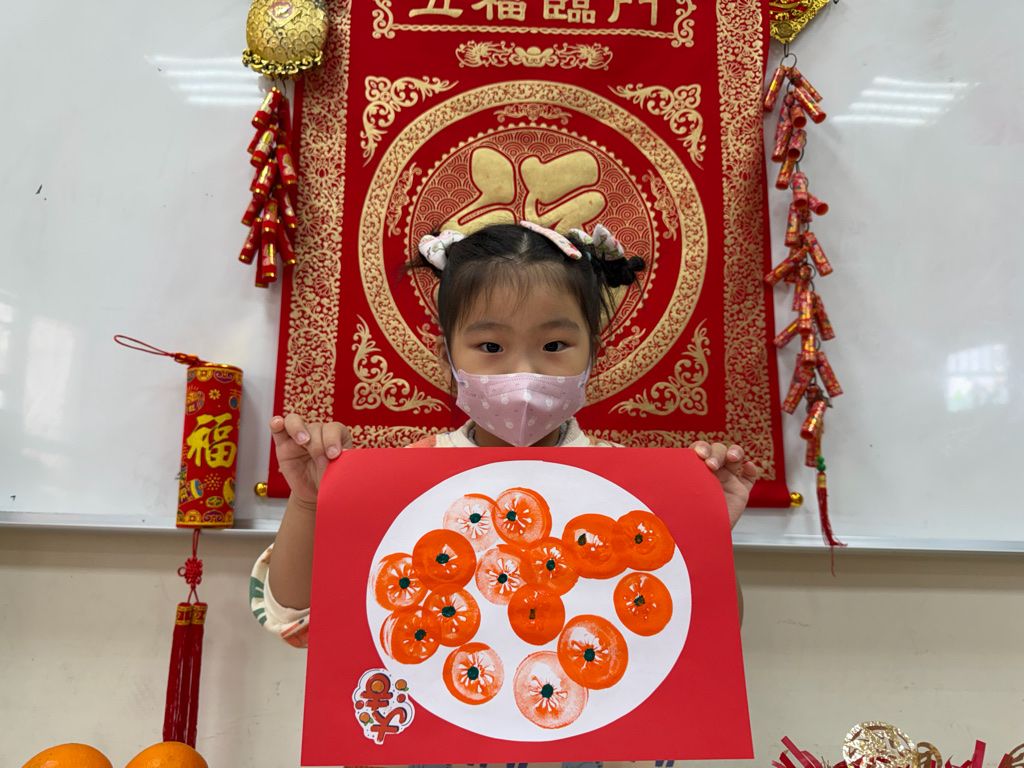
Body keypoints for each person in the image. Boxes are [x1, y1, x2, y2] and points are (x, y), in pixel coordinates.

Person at [250, 221, 758, 648]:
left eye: (554, 345)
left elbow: (708, 635)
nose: (523, 373)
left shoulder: (636, 488)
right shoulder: (401, 478)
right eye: (490, 347)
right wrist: (309, 503)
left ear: (592, 354)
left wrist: (706, 530)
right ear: (447, 356)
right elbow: (295, 618)